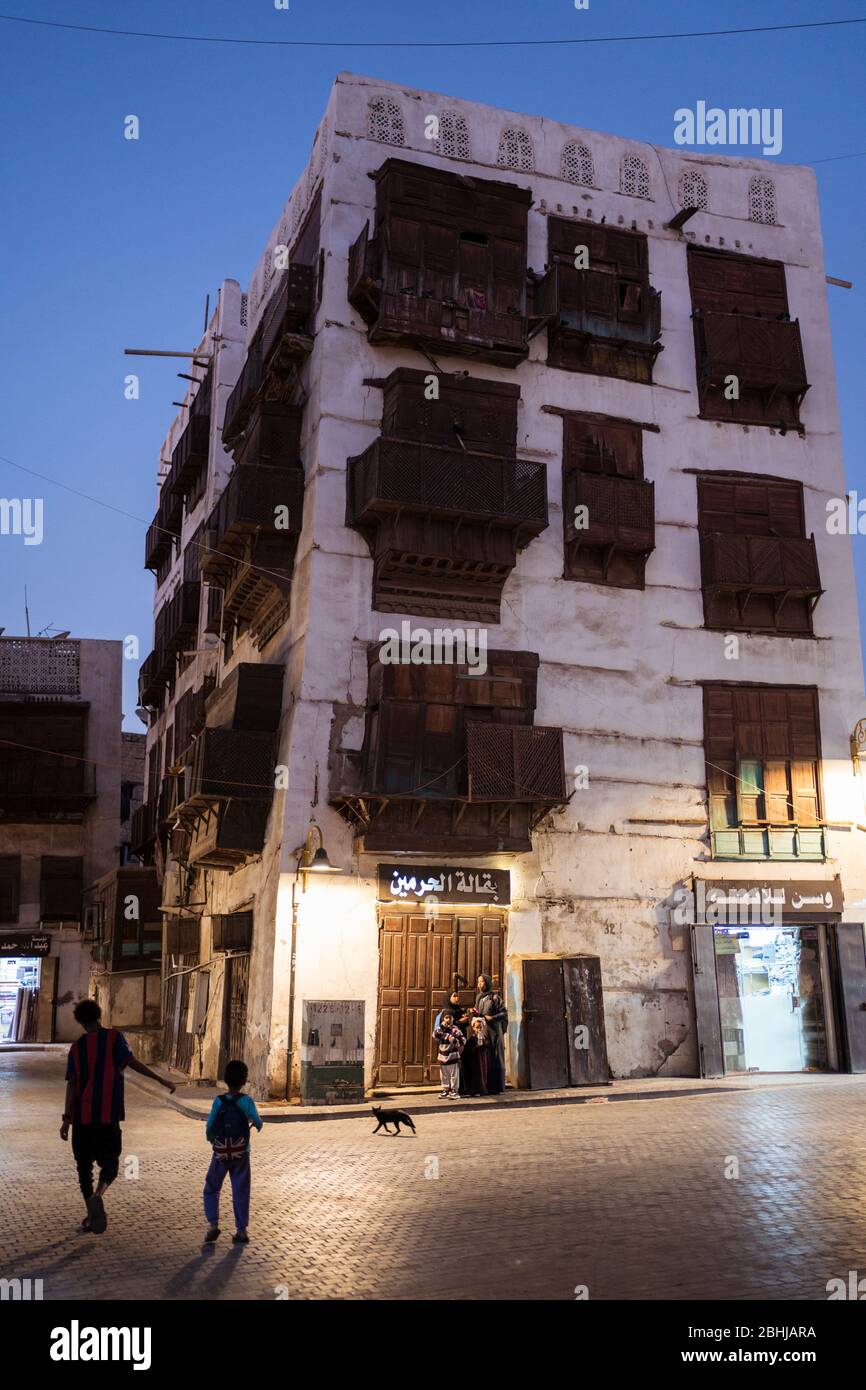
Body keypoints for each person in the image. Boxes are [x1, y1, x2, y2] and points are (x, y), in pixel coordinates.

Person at [60, 998, 176, 1234]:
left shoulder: (76, 1048)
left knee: (84, 1168)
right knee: (110, 1163)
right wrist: (160, 1079)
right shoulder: (114, 1038)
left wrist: (66, 1118)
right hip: (108, 1115)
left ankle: (92, 1214)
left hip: (82, 1118)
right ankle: (98, 1195)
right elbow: (131, 1062)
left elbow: (71, 1084)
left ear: (81, 1022)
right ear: (99, 1015)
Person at [203, 1059, 263, 1245]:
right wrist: (254, 1125)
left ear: (226, 1079)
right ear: (244, 1080)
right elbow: (258, 1123)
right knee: (241, 1190)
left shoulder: (218, 1102)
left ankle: (213, 1225)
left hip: (221, 1153)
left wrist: (214, 1141)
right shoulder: (247, 1101)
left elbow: (210, 1127)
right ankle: (241, 1230)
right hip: (241, 1153)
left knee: (212, 1187)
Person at [474, 974, 507, 1093]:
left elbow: (504, 1014)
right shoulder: (479, 998)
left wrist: (492, 1018)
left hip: (495, 1033)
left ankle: (497, 1087)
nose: (479, 985)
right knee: (485, 1058)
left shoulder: (495, 998)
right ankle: (485, 1086)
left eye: (482, 982)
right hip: (483, 1032)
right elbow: (477, 1013)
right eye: (478, 982)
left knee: (496, 1058)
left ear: (487, 983)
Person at [433, 1010, 465, 1099]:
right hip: (442, 1056)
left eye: (450, 1018)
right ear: (443, 1018)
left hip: (453, 1056)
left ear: (453, 1019)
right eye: (446, 1018)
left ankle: (454, 1091)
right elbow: (435, 1034)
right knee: (444, 1075)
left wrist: (457, 1041)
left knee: (454, 1075)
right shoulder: (440, 1028)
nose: (448, 1020)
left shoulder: (455, 1029)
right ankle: (445, 1090)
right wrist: (447, 1036)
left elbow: (463, 1040)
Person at [462, 1016, 491, 1096]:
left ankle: (483, 1089)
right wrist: (476, 1047)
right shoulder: (472, 1038)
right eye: (477, 1027)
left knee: (483, 1073)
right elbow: (469, 1049)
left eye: (480, 1027)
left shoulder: (484, 1037)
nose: (479, 1029)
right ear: (473, 1028)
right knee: (476, 1074)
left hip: (483, 1058)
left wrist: (484, 1044)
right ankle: (475, 1090)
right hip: (475, 1060)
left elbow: (487, 1046)